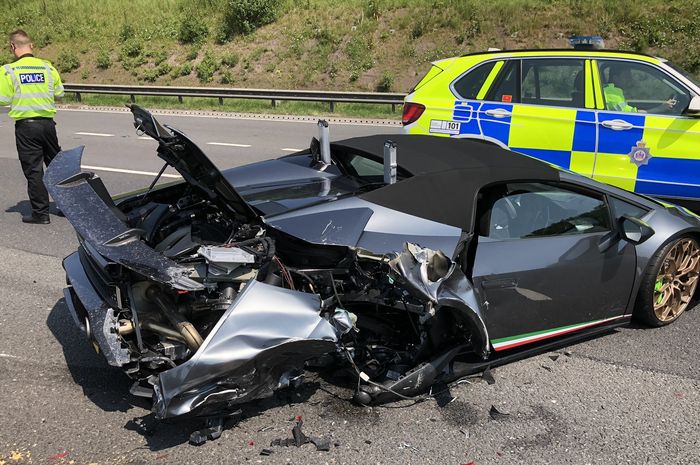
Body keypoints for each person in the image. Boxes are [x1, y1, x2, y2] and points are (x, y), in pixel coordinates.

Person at [0, 29, 64, 224]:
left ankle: (40, 214)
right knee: (56, 167)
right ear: (32, 46)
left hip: (26, 127)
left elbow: (3, 100)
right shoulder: (47, 68)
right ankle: (67, 207)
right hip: (48, 125)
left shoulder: (8, 70)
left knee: (34, 171)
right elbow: (60, 93)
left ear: (13, 47)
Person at [603, 65, 677, 114]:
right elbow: (634, 114)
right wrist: (660, 108)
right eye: (626, 76)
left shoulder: (613, 90)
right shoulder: (612, 94)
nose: (630, 79)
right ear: (616, 78)